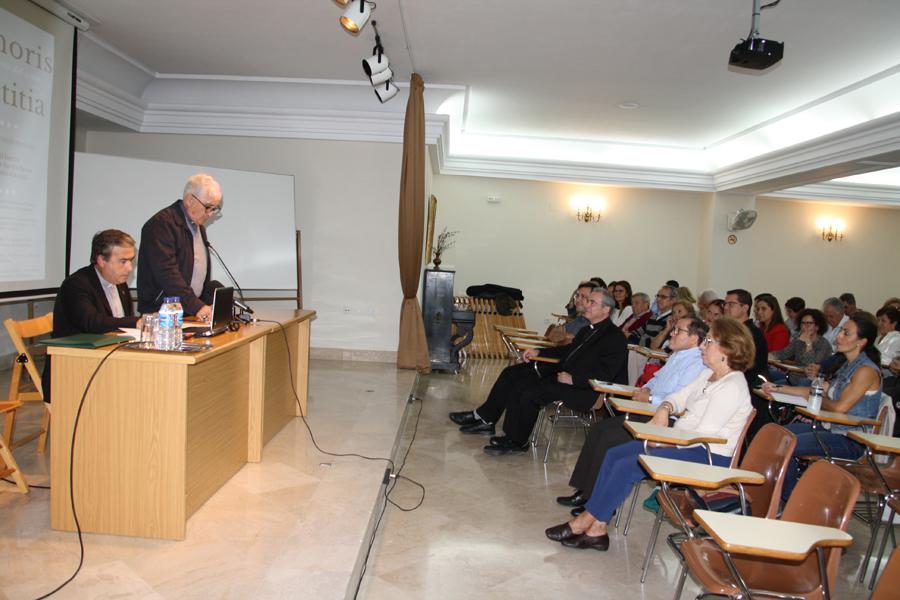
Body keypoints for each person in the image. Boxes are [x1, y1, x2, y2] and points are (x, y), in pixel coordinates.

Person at [545, 317, 753, 551]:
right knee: (615, 453)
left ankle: (584, 522)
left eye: (709, 341)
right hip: (684, 443)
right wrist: (664, 409)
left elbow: (703, 434)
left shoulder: (732, 386)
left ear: (727, 348)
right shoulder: (709, 374)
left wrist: (662, 440)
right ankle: (598, 528)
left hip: (706, 455)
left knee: (628, 464)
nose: (703, 346)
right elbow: (678, 398)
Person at [448, 288, 627, 455]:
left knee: (530, 392)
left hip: (584, 389)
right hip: (564, 377)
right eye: (587, 301)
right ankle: (506, 433)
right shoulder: (587, 330)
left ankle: (517, 442)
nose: (586, 305)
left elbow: (606, 374)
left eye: (592, 302)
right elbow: (565, 352)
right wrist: (539, 352)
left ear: (606, 309)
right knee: (518, 381)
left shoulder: (615, 338)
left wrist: (574, 379)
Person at [556, 317, 709, 512]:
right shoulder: (678, 355)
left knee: (610, 439)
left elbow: (680, 400)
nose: (672, 333)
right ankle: (585, 490)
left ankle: (597, 500)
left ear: (694, 338)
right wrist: (645, 389)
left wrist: (650, 398)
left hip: (667, 420)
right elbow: (656, 379)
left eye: (678, 330)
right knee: (599, 429)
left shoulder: (696, 363)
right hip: (649, 410)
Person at [763, 314, 882, 500]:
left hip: (850, 439)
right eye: (841, 331)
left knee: (787, 445)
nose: (839, 336)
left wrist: (817, 397)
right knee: (777, 435)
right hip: (829, 428)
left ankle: (792, 502)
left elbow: (839, 408)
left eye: (846, 333)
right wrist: (777, 388)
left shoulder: (865, 371)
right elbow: (814, 390)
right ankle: (781, 495)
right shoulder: (847, 366)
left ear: (861, 341)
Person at [41, 229, 141, 402]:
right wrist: (137, 321)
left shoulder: (119, 282)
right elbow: (91, 322)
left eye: (131, 261)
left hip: (109, 359)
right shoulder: (76, 284)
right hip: (75, 369)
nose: (129, 268)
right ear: (101, 260)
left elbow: (118, 325)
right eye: (123, 261)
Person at [137, 173, 223, 319]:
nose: (210, 214)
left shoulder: (198, 227)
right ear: (190, 200)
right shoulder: (161, 225)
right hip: (163, 313)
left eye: (214, 209)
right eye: (208, 207)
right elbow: (167, 274)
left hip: (188, 310)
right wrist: (196, 306)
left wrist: (201, 303)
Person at [770, 308, 832, 385]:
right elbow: (783, 353)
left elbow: (811, 365)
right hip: (792, 379)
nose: (805, 326)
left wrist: (808, 343)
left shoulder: (823, 344)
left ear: (817, 327)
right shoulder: (798, 340)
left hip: (809, 383)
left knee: (774, 388)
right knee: (767, 377)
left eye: (809, 323)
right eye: (803, 323)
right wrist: (768, 356)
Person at [875, 306, 900, 372]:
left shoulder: (897, 338)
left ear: (894, 323)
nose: (879, 324)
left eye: (883, 321)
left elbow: (887, 361)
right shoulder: (877, 338)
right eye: (878, 320)